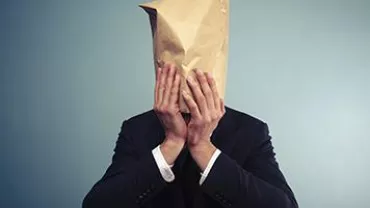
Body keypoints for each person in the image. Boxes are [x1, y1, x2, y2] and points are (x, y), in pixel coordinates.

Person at [82, 63, 298, 208]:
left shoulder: (249, 130)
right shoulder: (137, 129)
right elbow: (96, 204)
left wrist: (203, 148)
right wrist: (171, 144)